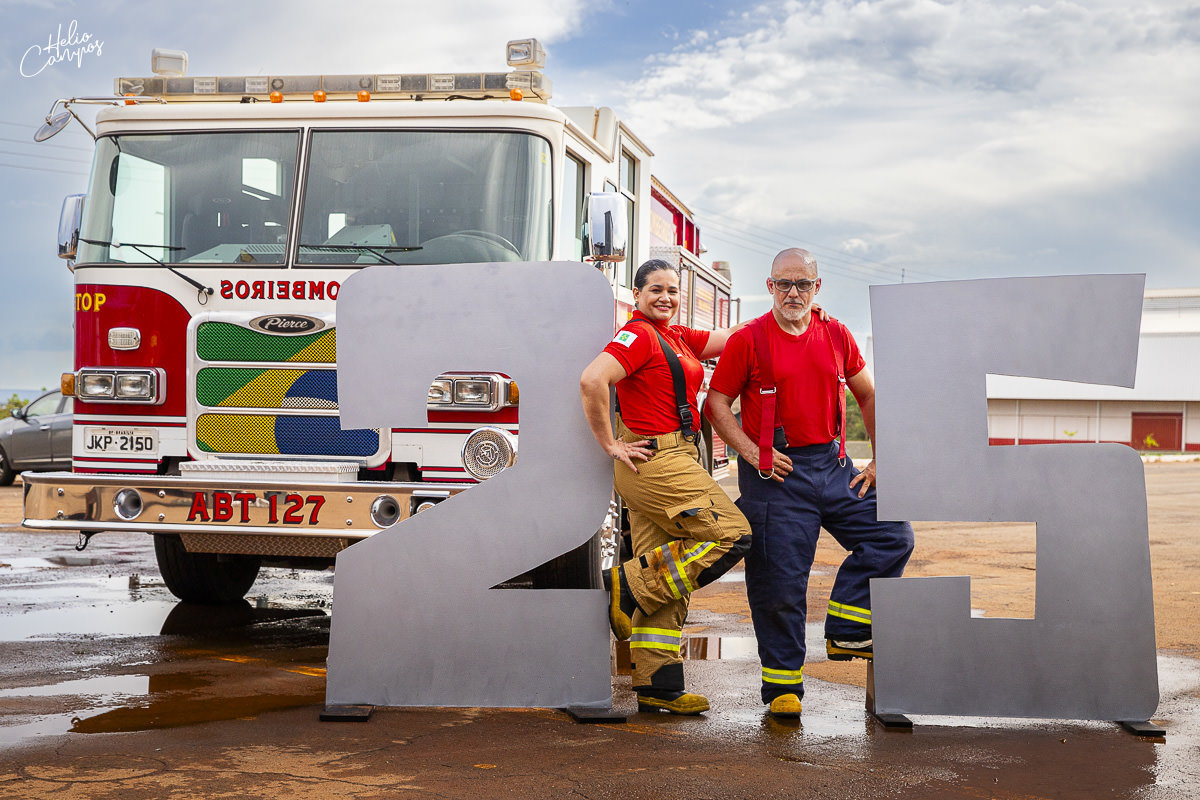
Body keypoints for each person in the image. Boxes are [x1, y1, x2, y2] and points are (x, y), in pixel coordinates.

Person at [704, 248, 914, 719]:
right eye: (784, 284)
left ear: (817, 287)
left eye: (802, 284)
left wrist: (879, 460)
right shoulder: (748, 340)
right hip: (775, 475)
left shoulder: (836, 334)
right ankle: (783, 688)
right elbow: (715, 404)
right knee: (778, 583)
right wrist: (750, 450)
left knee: (892, 534)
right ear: (770, 286)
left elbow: (868, 394)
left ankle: (847, 627)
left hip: (832, 465)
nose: (793, 293)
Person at [579, 258, 752, 715]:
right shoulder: (637, 335)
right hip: (658, 461)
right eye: (655, 289)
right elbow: (593, 380)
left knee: (665, 570)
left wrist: (791, 309)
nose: (666, 297)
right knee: (732, 534)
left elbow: (735, 337)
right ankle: (626, 584)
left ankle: (659, 683)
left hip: (676, 457)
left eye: (672, 290)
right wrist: (609, 444)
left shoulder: (676, 336)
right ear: (636, 295)